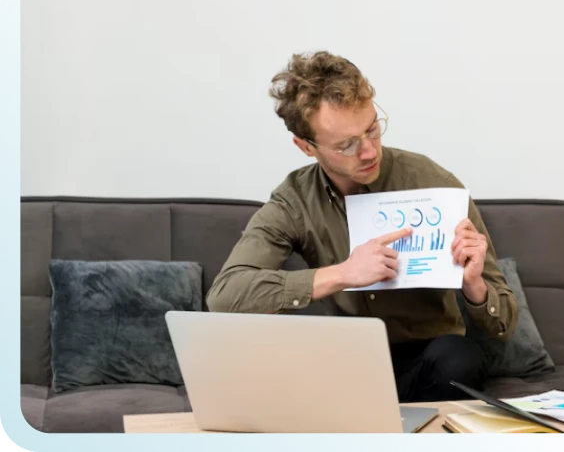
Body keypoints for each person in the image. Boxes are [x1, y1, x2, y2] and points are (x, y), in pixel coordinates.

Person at [206, 51, 518, 402]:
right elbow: (225, 296)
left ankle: (373, 420)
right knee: (269, 366)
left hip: (430, 359)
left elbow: (504, 323)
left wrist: (474, 286)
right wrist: (342, 274)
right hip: (346, 360)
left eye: (372, 129)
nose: (369, 152)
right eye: (347, 145)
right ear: (306, 146)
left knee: (461, 359)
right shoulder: (295, 201)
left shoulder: (433, 182)